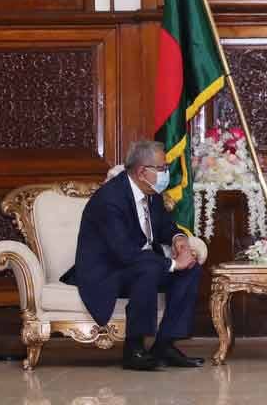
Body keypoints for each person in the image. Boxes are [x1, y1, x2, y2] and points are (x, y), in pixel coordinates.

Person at [60, 141, 204, 371]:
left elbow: (165, 225)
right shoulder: (110, 199)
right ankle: (134, 350)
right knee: (149, 267)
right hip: (108, 271)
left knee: (191, 269)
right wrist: (174, 264)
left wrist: (178, 239)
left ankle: (165, 344)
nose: (166, 173)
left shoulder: (151, 192)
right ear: (141, 171)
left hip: (139, 266)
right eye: (162, 168)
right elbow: (125, 253)